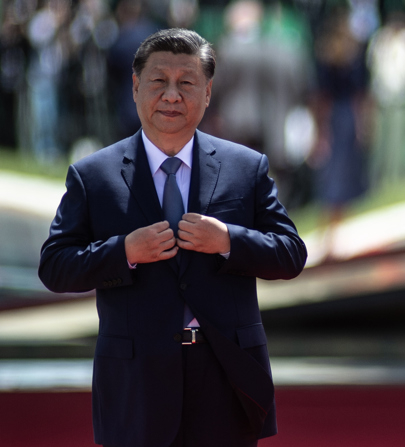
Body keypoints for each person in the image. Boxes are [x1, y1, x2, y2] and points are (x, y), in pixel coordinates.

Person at [39, 28, 307, 447]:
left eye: (186, 83)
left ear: (208, 93)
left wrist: (229, 241)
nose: (171, 95)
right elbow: (55, 266)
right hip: (136, 379)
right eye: (158, 82)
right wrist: (123, 251)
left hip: (225, 375)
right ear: (134, 86)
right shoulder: (94, 176)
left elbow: (291, 254)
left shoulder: (246, 167)